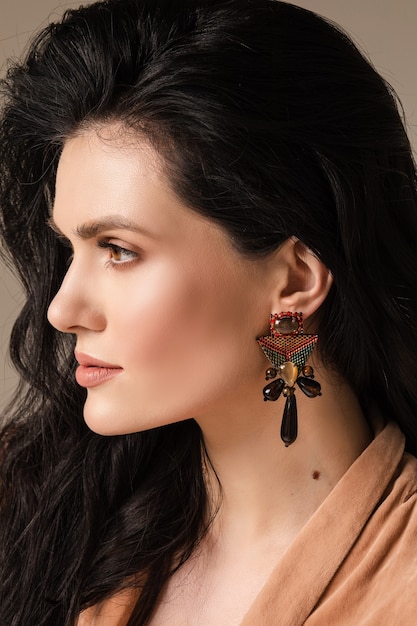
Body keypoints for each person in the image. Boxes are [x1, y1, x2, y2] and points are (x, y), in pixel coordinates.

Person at [1, 0, 417, 623]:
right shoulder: (33, 508)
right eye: (70, 248)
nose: (62, 309)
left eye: (118, 250)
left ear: (295, 279)